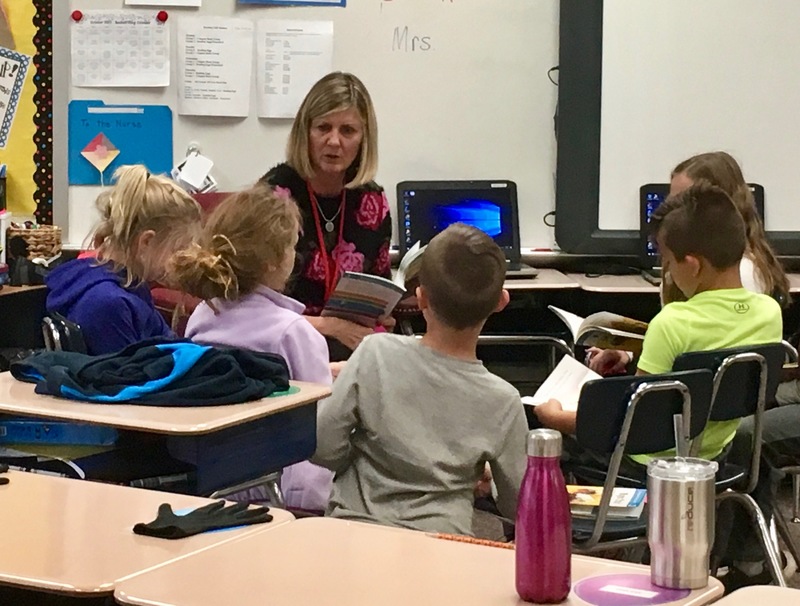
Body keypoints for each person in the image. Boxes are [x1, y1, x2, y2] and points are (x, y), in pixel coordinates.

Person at [535, 183, 782, 474]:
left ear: (692, 265)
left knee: (536, 443)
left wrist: (557, 418)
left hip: (646, 465)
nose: (667, 271)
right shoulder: (769, 312)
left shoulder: (673, 321)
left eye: (667, 262)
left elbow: (635, 421)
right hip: (715, 456)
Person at [311, 223, 528, 535]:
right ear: (501, 302)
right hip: (441, 544)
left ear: (421, 299)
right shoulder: (504, 400)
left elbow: (322, 445)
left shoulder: (375, 352)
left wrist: (358, 458)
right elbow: (518, 503)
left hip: (352, 532)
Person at [170, 184, 334, 511]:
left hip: (215, 481)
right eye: (291, 247)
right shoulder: (293, 332)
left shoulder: (204, 315)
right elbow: (323, 423)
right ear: (274, 261)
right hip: (292, 493)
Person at [589, 150, 789, 377]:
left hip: (690, 400)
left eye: (681, 199)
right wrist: (632, 353)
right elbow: (689, 339)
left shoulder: (741, 274)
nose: (670, 209)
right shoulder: (757, 302)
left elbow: (712, 354)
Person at [259, 72, 392, 360]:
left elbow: (379, 284)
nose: (334, 141)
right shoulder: (274, 196)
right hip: (285, 341)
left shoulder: (373, 200)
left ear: (363, 138)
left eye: (347, 131)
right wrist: (329, 326)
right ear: (305, 132)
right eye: (323, 128)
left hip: (352, 341)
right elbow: (248, 309)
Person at [46, 165, 201, 355]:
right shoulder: (108, 304)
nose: (182, 260)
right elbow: (127, 378)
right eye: (178, 249)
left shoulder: (132, 286)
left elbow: (170, 348)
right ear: (146, 241)